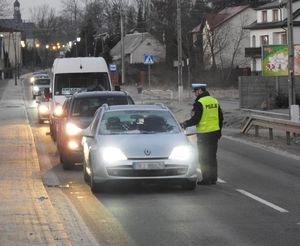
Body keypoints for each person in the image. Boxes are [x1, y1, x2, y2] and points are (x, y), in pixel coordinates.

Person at [180, 83, 223, 185]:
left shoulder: (199, 103)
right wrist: (219, 131)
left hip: (204, 134)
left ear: (200, 91)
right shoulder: (214, 101)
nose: (195, 94)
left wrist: (185, 124)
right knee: (212, 156)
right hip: (214, 133)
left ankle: (206, 179)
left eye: (195, 91)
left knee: (203, 157)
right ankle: (213, 178)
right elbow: (221, 118)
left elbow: (196, 119)